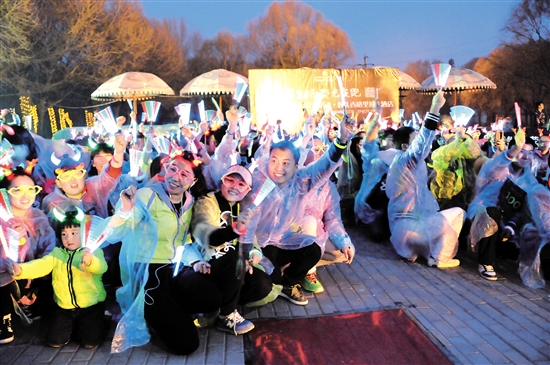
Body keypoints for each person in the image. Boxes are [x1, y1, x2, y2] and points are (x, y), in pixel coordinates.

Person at [107, 150, 239, 355]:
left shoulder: (188, 203)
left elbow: (183, 242)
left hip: (173, 267)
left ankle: (170, 312)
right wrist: (124, 210)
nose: (176, 177)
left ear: (192, 181)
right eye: (173, 169)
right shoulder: (147, 196)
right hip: (146, 272)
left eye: (184, 174)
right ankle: (157, 314)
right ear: (165, 169)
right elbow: (116, 232)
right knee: (186, 344)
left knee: (212, 297)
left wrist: (195, 261)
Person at [241, 114, 350, 306]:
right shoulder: (257, 181)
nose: (278, 167)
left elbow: (324, 166)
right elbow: (246, 222)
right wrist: (247, 252)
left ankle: (289, 284)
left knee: (313, 248)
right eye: (274, 160)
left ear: (295, 165)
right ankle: (275, 279)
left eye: (286, 163)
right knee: (268, 281)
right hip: (259, 246)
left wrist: (340, 142)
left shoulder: (301, 182)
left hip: (283, 241)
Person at [9, 207, 108, 349]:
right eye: (64, 234)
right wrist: (21, 270)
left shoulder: (93, 251)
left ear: (85, 234)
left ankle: (100, 322)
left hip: (90, 306)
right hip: (64, 308)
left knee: (90, 343)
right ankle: (72, 327)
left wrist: (90, 261)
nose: (69, 238)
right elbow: (40, 265)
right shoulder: (57, 254)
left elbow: (101, 268)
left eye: (74, 233)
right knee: (55, 341)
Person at [386, 91, 465, 268]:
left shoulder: (396, 162)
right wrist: (435, 107)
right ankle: (440, 257)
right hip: (413, 231)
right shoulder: (407, 159)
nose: (422, 145)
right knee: (459, 213)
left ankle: (425, 253)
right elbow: (423, 142)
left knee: (435, 219)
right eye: (414, 141)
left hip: (400, 234)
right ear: (407, 146)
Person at [191, 164, 275, 330]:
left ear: (247, 189)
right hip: (207, 265)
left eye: (241, 184)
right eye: (230, 180)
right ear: (222, 181)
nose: (234, 187)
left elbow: (252, 239)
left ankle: (218, 307)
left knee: (263, 284)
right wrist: (235, 229)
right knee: (233, 257)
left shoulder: (243, 207)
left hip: (234, 267)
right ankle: (227, 314)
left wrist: (254, 253)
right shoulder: (206, 202)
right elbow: (207, 235)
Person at [468, 130, 550, 285]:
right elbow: (498, 163)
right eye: (521, 152)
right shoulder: (497, 168)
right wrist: (513, 150)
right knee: (492, 213)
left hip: (507, 226)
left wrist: (512, 227)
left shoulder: (530, 181)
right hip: (483, 212)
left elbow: (523, 210)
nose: (525, 156)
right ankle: (486, 263)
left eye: (530, 153)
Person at [0, 168, 56, 344]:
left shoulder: (38, 216)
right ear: (5, 193)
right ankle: (4, 318)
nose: (25, 195)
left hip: (33, 273)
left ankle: (29, 301)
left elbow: (49, 249)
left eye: (31, 189)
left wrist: (32, 277)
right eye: (17, 190)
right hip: (6, 276)